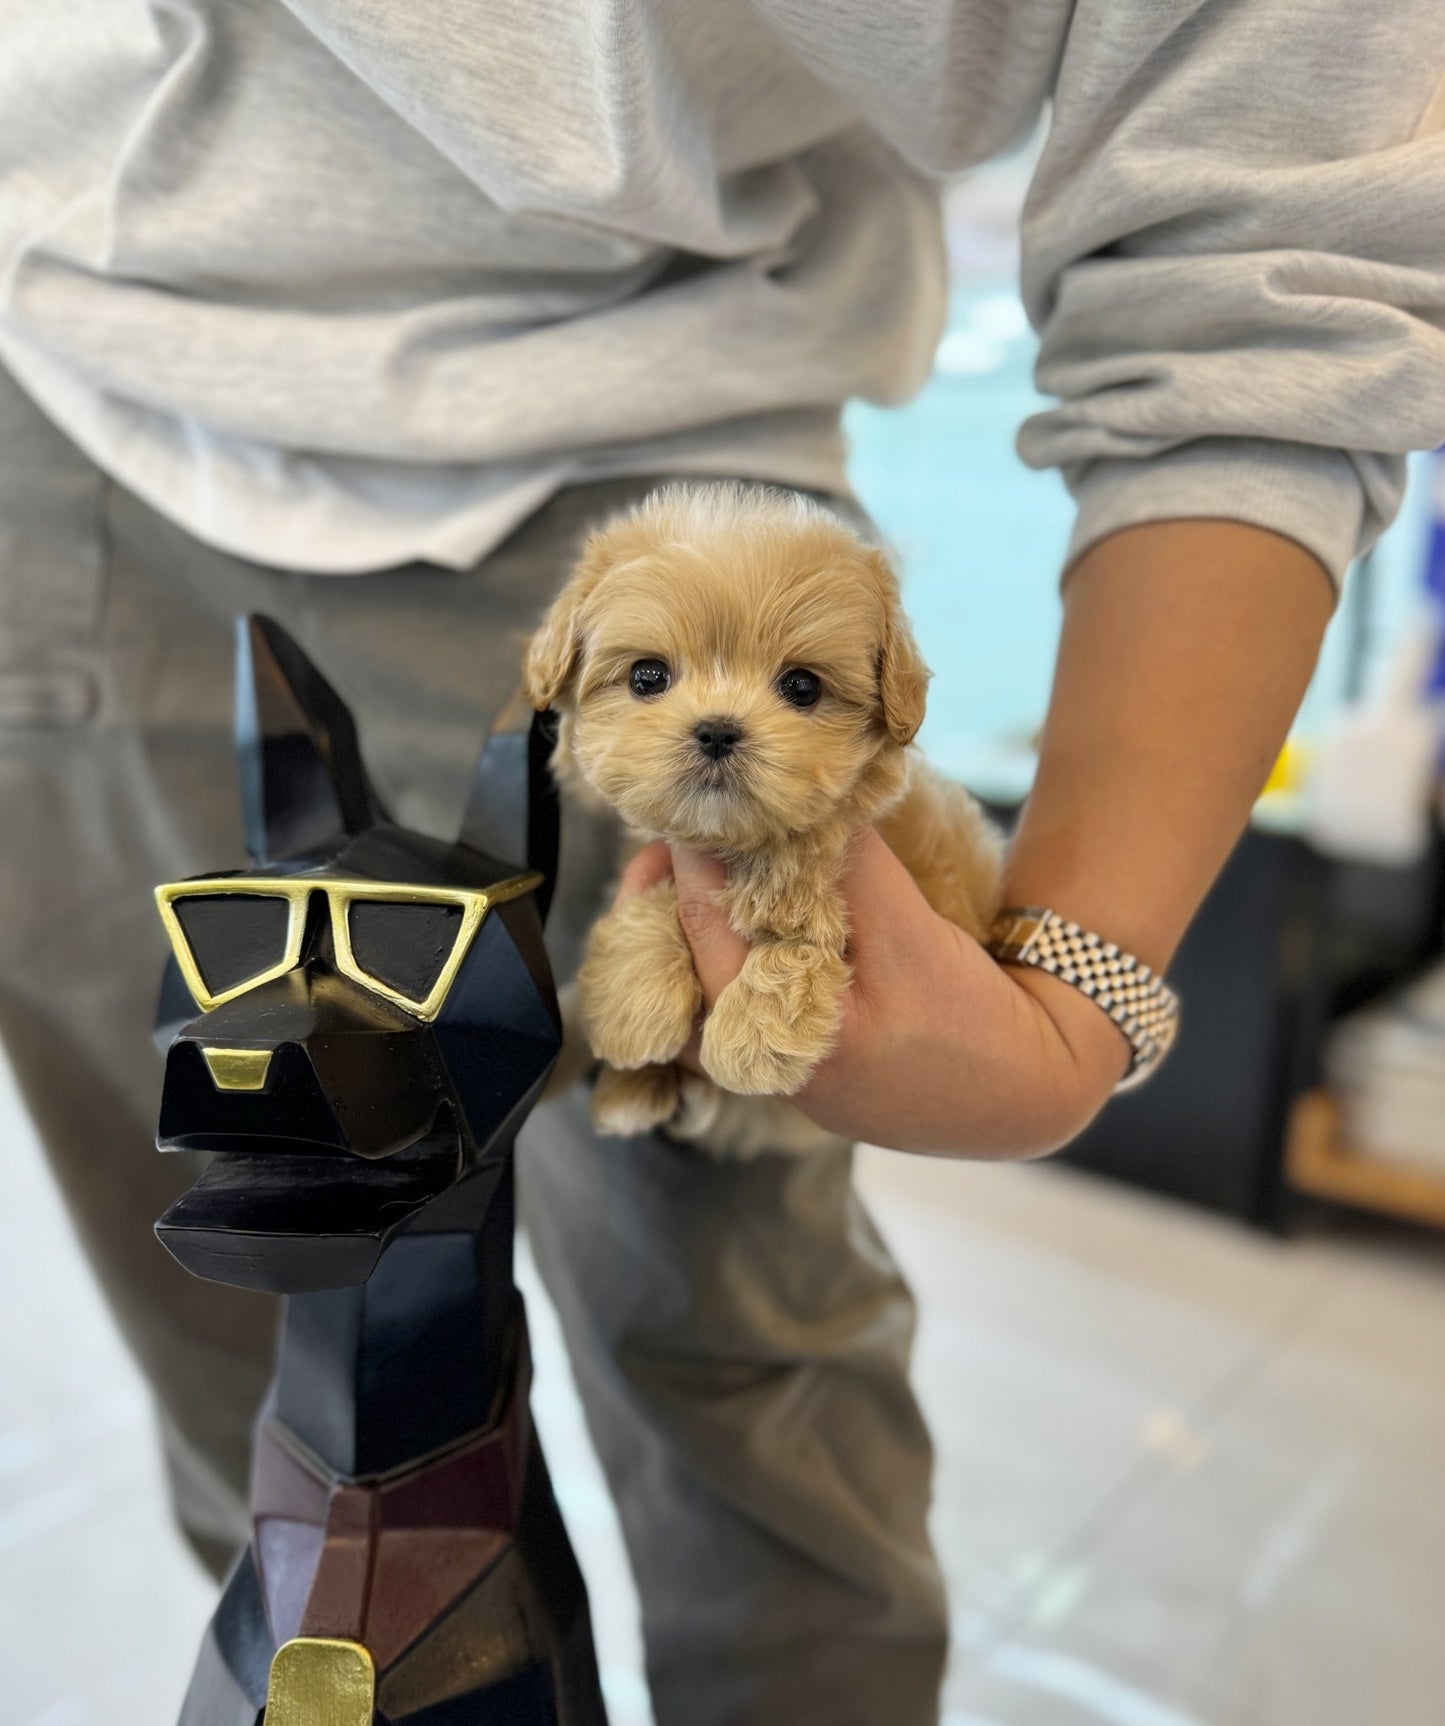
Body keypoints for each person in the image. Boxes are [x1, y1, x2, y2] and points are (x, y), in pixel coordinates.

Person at [1, 4, 1441, 1722]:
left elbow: (1268, 241)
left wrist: (1080, 984)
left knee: (738, 1361)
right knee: (244, 1285)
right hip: (59, 414)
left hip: (666, 469)